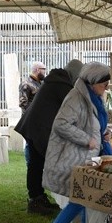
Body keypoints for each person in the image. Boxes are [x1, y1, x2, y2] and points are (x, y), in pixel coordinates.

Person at [38, 62, 112, 223]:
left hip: (88, 157)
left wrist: (104, 133)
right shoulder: (75, 98)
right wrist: (87, 139)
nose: (105, 89)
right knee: (84, 198)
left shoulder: (93, 97)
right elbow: (61, 124)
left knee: (85, 198)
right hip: (76, 157)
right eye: (104, 84)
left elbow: (94, 123)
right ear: (94, 81)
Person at [14, 59, 83, 215]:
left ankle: (37, 198)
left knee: (36, 164)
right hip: (37, 127)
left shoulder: (57, 79)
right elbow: (73, 108)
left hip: (35, 125)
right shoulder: (61, 84)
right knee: (36, 164)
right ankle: (36, 200)